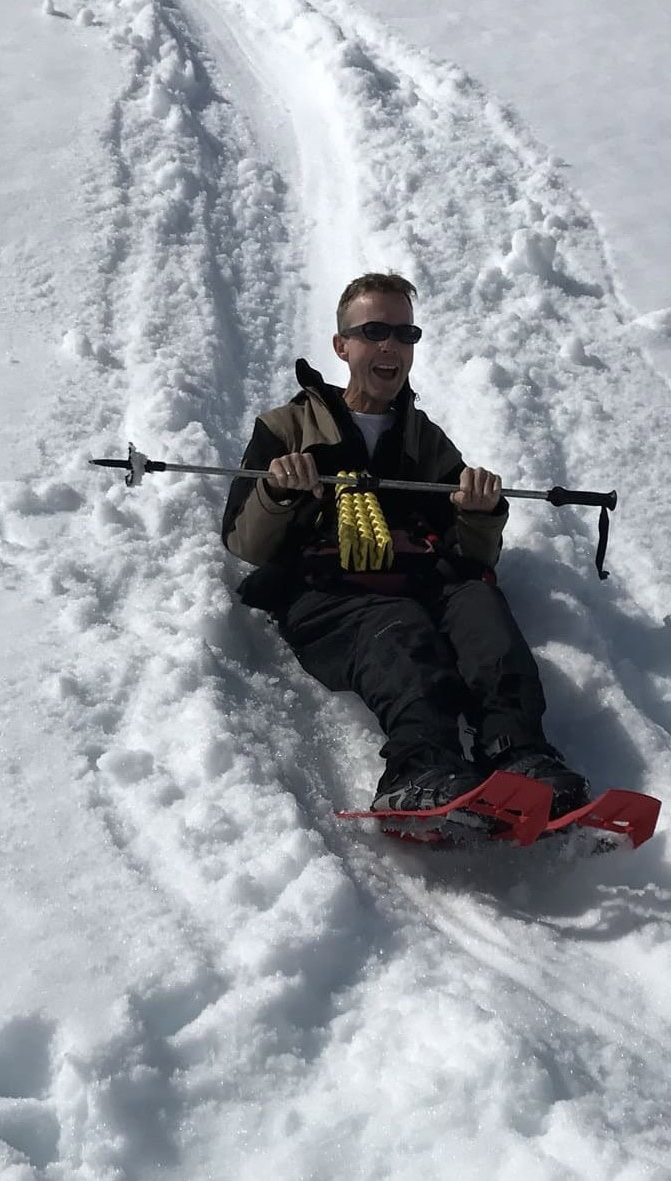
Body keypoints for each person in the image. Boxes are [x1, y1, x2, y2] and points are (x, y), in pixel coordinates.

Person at [221, 272, 590, 818]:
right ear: (342, 346)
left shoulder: (426, 440)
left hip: (418, 580)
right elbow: (243, 541)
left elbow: (471, 557)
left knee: (479, 605)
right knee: (398, 628)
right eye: (374, 331)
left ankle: (518, 752)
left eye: (404, 333)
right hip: (329, 596)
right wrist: (277, 492)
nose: (391, 346)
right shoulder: (287, 428)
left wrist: (479, 514)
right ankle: (421, 767)